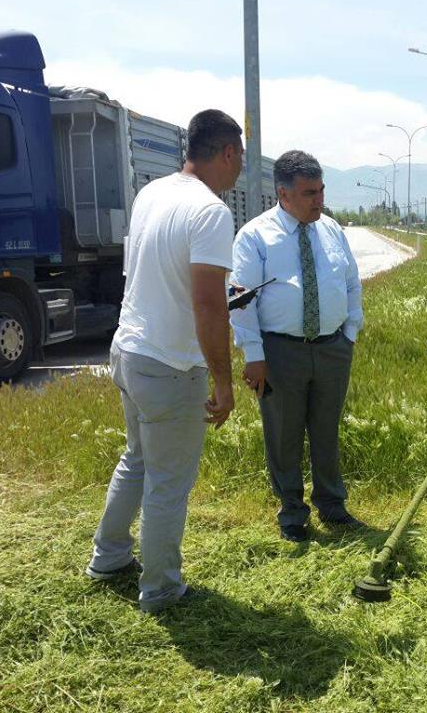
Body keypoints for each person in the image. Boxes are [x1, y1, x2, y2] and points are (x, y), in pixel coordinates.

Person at [85, 109, 244, 613]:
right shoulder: (212, 212)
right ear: (226, 153)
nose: (239, 166)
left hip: (129, 351)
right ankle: (160, 590)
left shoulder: (152, 193)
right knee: (168, 483)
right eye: (238, 156)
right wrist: (223, 382)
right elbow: (206, 304)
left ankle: (108, 556)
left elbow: (152, 274)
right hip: (171, 366)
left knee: (136, 459)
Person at [230, 150, 364, 543]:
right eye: (309, 193)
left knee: (326, 430)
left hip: (332, 348)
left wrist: (350, 332)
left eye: (321, 190)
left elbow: (352, 284)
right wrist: (253, 355)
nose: (318, 200)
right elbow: (241, 302)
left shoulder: (332, 230)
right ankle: (292, 512)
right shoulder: (255, 236)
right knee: (284, 433)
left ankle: (332, 506)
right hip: (280, 353)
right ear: (283, 194)